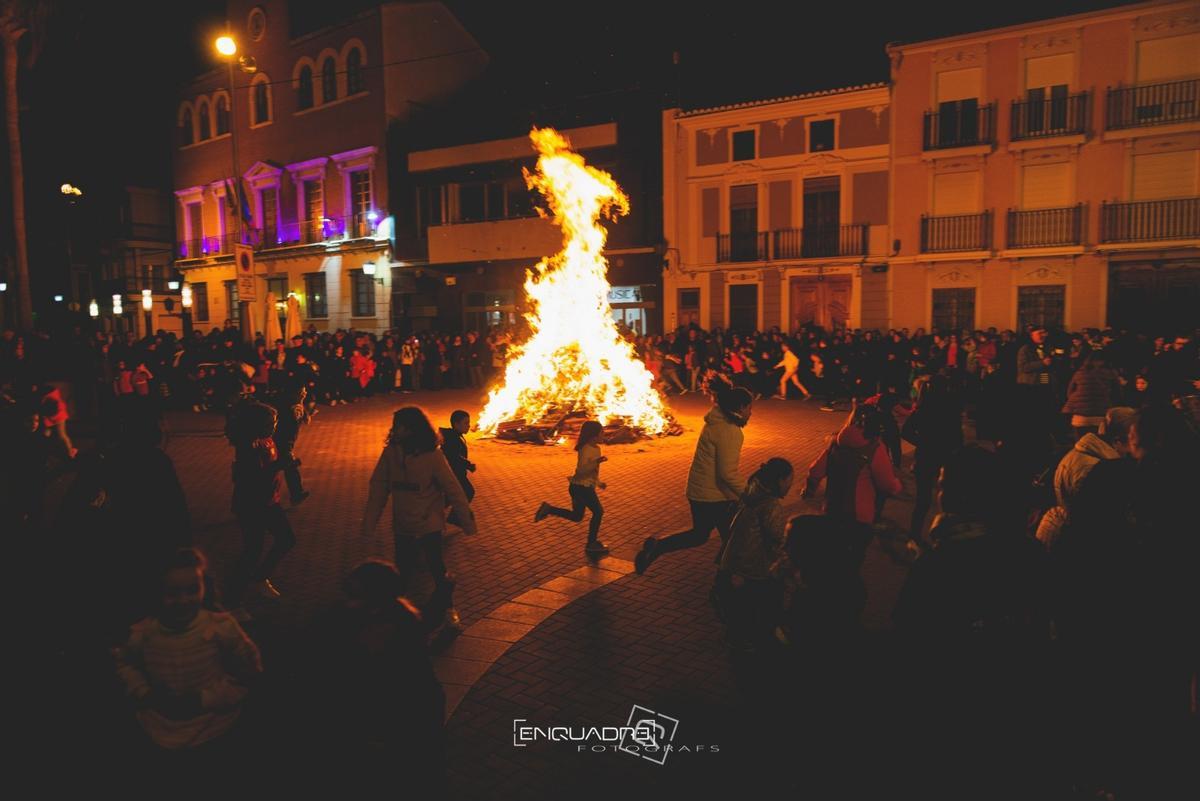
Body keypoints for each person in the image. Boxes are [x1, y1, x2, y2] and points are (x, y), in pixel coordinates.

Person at [114, 547, 263, 752]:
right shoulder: (144, 633)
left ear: (204, 586)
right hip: (159, 730)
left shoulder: (220, 627)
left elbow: (248, 671)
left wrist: (206, 699)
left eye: (193, 590)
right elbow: (124, 663)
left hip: (216, 727)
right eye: (172, 593)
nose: (183, 600)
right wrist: (143, 692)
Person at [362, 407, 477, 633]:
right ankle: (397, 616)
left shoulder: (432, 455)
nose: (396, 430)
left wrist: (466, 519)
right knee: (402, 570)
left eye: (400, 426)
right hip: (403, 523)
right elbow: (378, 488)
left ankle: (448, 611)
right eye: (395, 426)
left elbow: (452, 488)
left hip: (428, 523)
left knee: (437, 568)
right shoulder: (391, 453)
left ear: (413, 428)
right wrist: (368, 524)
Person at [635, 387, 753, 574]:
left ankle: (658, 546)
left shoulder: (715, 423)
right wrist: (749, 494)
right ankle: (726, 582)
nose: (750, 413)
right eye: (749, 408)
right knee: (731, 540)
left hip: (700, 491)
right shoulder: (729, 431)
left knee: (700, 535)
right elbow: (727, 473)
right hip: (714, 496)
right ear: (739, 408)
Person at [224, 400, 296, 617]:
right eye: (271, 422)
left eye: (275, 421)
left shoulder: (267, 440)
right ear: (256, 424)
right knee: (251, 551)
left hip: (269, 501)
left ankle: (260, 578)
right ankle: (232, 601)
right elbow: (250, 478)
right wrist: (281, 465)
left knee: (286, 539)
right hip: (251, 504)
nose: (275, 425)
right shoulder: (248, 446)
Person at [713, 458, 793, 650]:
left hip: (735, 561)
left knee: (742, 606)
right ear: (781, 480)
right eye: (790, 480)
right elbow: (778, 537)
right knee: (764, 602)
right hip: (750, 565)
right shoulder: (770, 505)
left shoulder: (751, 493)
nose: (791, 485)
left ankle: (739, 638)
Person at [803, 401, 902, 526]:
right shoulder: (874, 447)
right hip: (859, 515)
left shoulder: (836, 443)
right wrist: (897, 486)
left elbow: (816, 471)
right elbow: (886, 483)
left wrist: (809, 490)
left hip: (832, 509)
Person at [534, 420, 609, 557]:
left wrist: (598, 482)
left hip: (581, 486)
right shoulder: (586, 449)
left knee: (577, 516)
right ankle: (591, 543)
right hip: (581, 488)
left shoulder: (596, 449)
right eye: (601, 432)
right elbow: (581, 471)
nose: (603, 434)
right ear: (594, 435)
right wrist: (596, 462)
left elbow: (592, 472)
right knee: (598, 512)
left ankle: (549, 509)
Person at [271, 384, 310, 506]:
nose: (305, 394)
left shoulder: (296, 405)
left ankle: (295, 494)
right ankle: (296, 494)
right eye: (302, 392)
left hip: (287, 440)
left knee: (283, 466)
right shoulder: (288, 407)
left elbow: (306, 419)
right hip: (283, 440)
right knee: (289, 466)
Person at [439, 409, 476, 529]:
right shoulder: (452, 438)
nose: (468, 426)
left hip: (456, 473)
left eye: (468, 422)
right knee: (468, 492)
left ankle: (446, 515)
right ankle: (453, 518)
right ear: (456, 424)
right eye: (466, 423)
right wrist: (468, 464)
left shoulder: (454, 436)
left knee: (452, 496)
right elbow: (453, 456)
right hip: (454, 474)